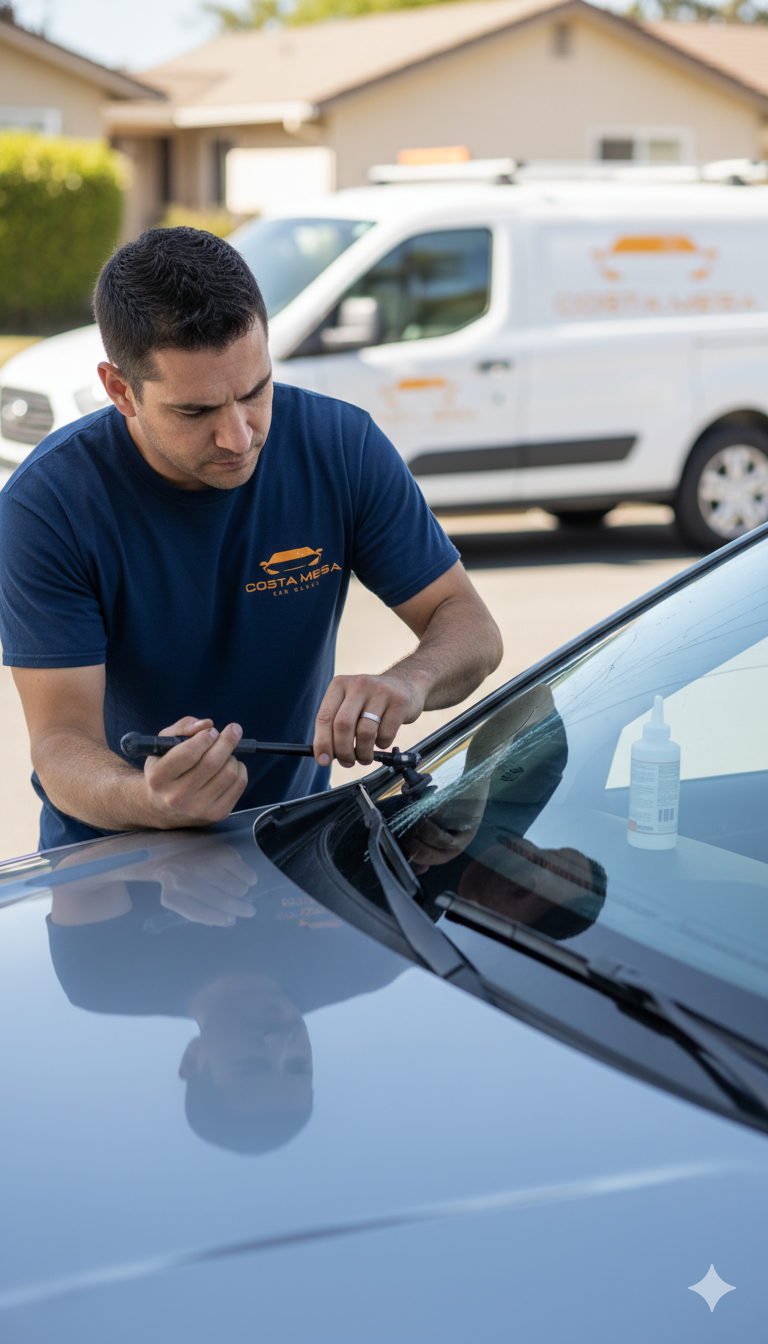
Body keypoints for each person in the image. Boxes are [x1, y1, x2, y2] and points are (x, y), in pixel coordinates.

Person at [0, 227, 502, 851]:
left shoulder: (340, 447)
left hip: (294, 848)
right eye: (195, 412)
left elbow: (471, 626)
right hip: (111, 859)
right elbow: (60, 744)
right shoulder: (48, 505)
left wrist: (409, 682)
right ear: (121, 390)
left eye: (255, 390)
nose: (239, 437)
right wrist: (151, 800)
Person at [46, 831, 406, 1154]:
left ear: (192, 1061)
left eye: (251, 1064)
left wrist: (157, 859)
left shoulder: (105, 982)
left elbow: (71, 878)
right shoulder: (370, 961)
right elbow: (395, 845)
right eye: (298, 1065)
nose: (279, 1041)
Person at [396, 683, 607, 940]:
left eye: (524, 890)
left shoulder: (416, 927)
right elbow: (539, 698)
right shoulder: (522, 800)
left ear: (510, 928)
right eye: (545, 857)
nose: (527, 858)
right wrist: (475, 783)